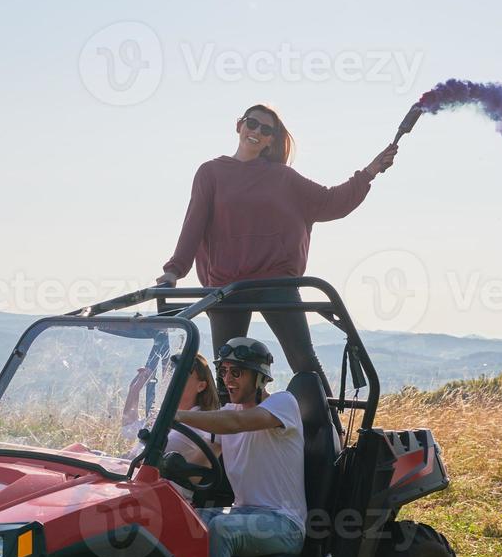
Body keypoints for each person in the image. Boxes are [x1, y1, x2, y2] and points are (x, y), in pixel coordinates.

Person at [156, 104, 397, 387]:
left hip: (276, 282)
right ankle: (227, 432)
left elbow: (331, 202)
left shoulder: (282, 178)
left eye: (266, 129)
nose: (256, 131)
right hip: (227, 285)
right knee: (227, 369)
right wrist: (174, 271)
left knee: (304, 362)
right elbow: (193, 225)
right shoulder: (211, 172)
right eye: (252, 123)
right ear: (239, 125)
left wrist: (369, 172)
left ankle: (328, 429)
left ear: (271, 139)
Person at [174, 337, 305, 557]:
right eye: (223, 372)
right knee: (187, 518)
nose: (227, 379)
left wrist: (174, 415)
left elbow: (235, 423)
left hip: (284, 523)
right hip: (243, 512)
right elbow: (199, 468)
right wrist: (170, 480)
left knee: (221, 529)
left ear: (259, 378)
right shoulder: (228, 411)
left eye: (237, 372)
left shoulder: (283, 403)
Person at [120, 353, 220, 471]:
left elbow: (145, 458)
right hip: (144, 482)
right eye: (171, 375)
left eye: (181, 377)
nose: (172, 382)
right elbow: (129, 430)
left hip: (165, 487)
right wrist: (134, 390)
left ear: (201, 386)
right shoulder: (169, 415)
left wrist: (121, 459)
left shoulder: (196, 426)